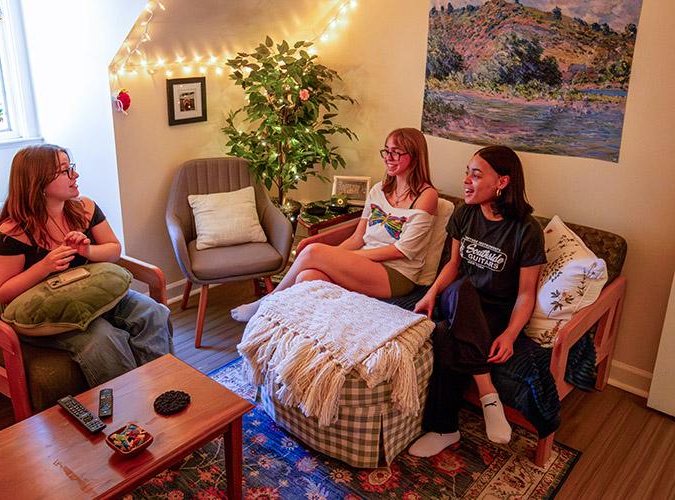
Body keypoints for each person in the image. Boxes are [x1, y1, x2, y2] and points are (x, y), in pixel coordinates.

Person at [0, 144, 173, 387]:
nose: (75, 175)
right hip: (49, 315)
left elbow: (113, 249)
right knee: (104, 338)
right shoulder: (13, 231)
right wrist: (45, 266)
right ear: (38, 182)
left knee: (153, 313)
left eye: (71, 168)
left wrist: (86, 250)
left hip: (94, 295)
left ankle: (162, 388)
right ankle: (129, 407)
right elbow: (3, 292)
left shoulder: (83, 208)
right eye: (65, 171)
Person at [408, 145, 546, 457]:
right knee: (461, 288)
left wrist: (510, 334)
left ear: (502, 182)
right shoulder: (465, 214)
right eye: (466, 173)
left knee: (445, 334)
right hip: (457, 298)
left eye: (476, 174)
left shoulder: (526, 230)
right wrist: (430, 294)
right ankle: (488, 394)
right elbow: (453, 266)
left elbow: (526, 292)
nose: (466, 180)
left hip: (495, 312)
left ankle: (444, 429)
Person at [231, 127, 438, 322]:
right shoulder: (379, 189)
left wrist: (340, 257)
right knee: (307, 275)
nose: (388, 158)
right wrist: (333, 258)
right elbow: (358, 238)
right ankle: (303, 333)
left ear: (414, 156)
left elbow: (401, 250)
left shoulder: (426, 196)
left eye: (396, 153)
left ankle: (266, 302)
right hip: (365, 264)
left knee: (313, 252)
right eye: (386, 151)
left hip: (396, 274)